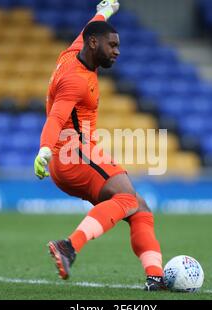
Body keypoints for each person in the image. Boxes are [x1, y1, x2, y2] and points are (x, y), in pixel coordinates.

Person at [34, 0, 166, 291]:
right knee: (127, 199)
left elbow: (90, 26)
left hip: (76, 156)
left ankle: (155, 276)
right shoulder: (75, 79)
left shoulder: (73, 52)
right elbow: (56, 117)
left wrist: (104, 11)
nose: (117, 52)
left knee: (138, 208)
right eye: (113, 45)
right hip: (73, 155)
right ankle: (69, 246)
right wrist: (44, 149)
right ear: (93, 43)